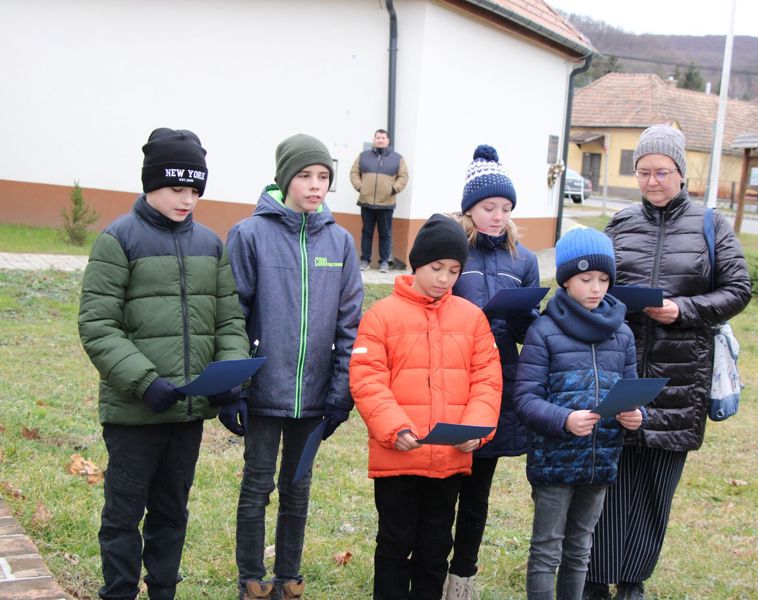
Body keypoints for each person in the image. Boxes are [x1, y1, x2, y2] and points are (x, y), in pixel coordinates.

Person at [78, 128, 250, 600]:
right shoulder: (118, 240)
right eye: (177, 188)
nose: (187, 199)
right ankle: (118, 591)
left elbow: (228, 321)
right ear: (151, 183)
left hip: (186, 416)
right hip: (135, 413)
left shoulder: (210, 245)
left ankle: (162, 591)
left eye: (195, 190)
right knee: (123, 514)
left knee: (172, 513)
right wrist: (145, 381)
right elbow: (98, 325)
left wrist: (229, 377)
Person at [582, 125, 751, 600]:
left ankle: (632, 580)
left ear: (680, 173)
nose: (652, 181)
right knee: (611, 477)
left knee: (657, 485)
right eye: (643, 172)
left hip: (680, 376)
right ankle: (596, 577)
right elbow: (592, 283)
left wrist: (684, 310)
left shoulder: (711, 225)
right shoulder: (620, 223)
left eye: (661, 171)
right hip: (621, 364)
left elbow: (738, 290)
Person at [226, 133, 364, 600]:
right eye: (305, 175)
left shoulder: (340, 242)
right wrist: (234, 387)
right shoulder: (250, 235)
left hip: (315, 394)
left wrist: (340, 394)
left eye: (323, 176)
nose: (315, 185)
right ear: (285, 178)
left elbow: (349, 324)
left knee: (297, 488)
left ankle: (289, 578)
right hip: (263, 389)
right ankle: (252, 579)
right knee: (257, 486)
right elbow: (232, 316)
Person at [350, 213, 502, 600]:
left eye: (454, 271)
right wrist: (394, 428)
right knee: (394, 544)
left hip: (448, 459)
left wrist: (476, 431)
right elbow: (367, 380)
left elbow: (487, 381)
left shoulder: (472, 319)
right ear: (417, 263)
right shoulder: (381, 317)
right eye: (436, 268)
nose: (444, 278)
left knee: (435, 548)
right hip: (399, 456)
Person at [514, 227, 643, 600]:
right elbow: (525, 398)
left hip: (600, 460)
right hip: (554, 462)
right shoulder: (544, 330)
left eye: (604, 279)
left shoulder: (622, 333)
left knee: (580, 548)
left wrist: (636, 416)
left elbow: (632, 391)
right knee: (547, 549)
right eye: (586, 279)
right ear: (567, 280)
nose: (596, 288)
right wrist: (564, 420)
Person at [444, 144, 541, 599]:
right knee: (443, 484)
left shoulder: (523, 259)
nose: (498, 216)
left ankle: (463, 574)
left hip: (497, 380)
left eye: (505, 207)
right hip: (451, 378)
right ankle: (431, 567)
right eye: (489, 207)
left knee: (478, 489)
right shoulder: (452, 250)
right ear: (469, 209)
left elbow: (526, 331)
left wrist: (524, 317)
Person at [350, 128, 409, 272]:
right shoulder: (363, 156)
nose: (380, 140)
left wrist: (393, 189)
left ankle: (384, 262)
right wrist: (360, 187)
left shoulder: (397, 158)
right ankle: (365, 261)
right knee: (367, 233)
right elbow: (354, 173)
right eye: (378, 138)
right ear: (374, 140)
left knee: (385, 234)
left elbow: (403, 176)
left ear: (387, 141)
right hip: (366, 202)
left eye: (383, 138)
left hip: (386, 203)